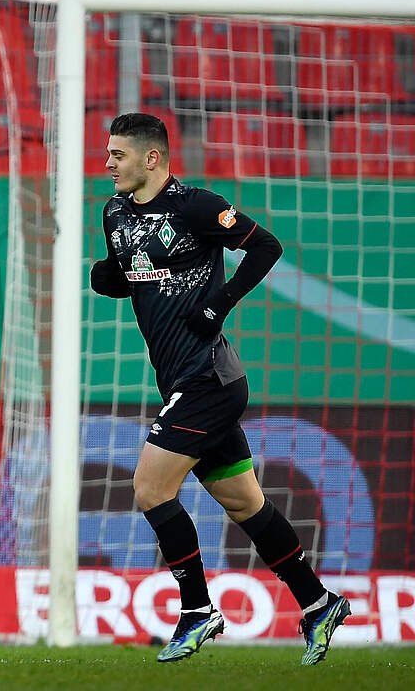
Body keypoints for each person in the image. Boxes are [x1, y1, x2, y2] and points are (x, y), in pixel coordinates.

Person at [90, 112, 349, 665]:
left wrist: (220, 302)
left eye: (117, 154)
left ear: (151, 158)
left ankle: (196, 611)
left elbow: (266, 246)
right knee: (244, 503)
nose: (108, 163)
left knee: (150, 489)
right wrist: (109, 278)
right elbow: (133, 271)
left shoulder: (197, 207)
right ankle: (319, 603)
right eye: (108, 153)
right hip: (179, 378)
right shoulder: (114, 213)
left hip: (209, 378)